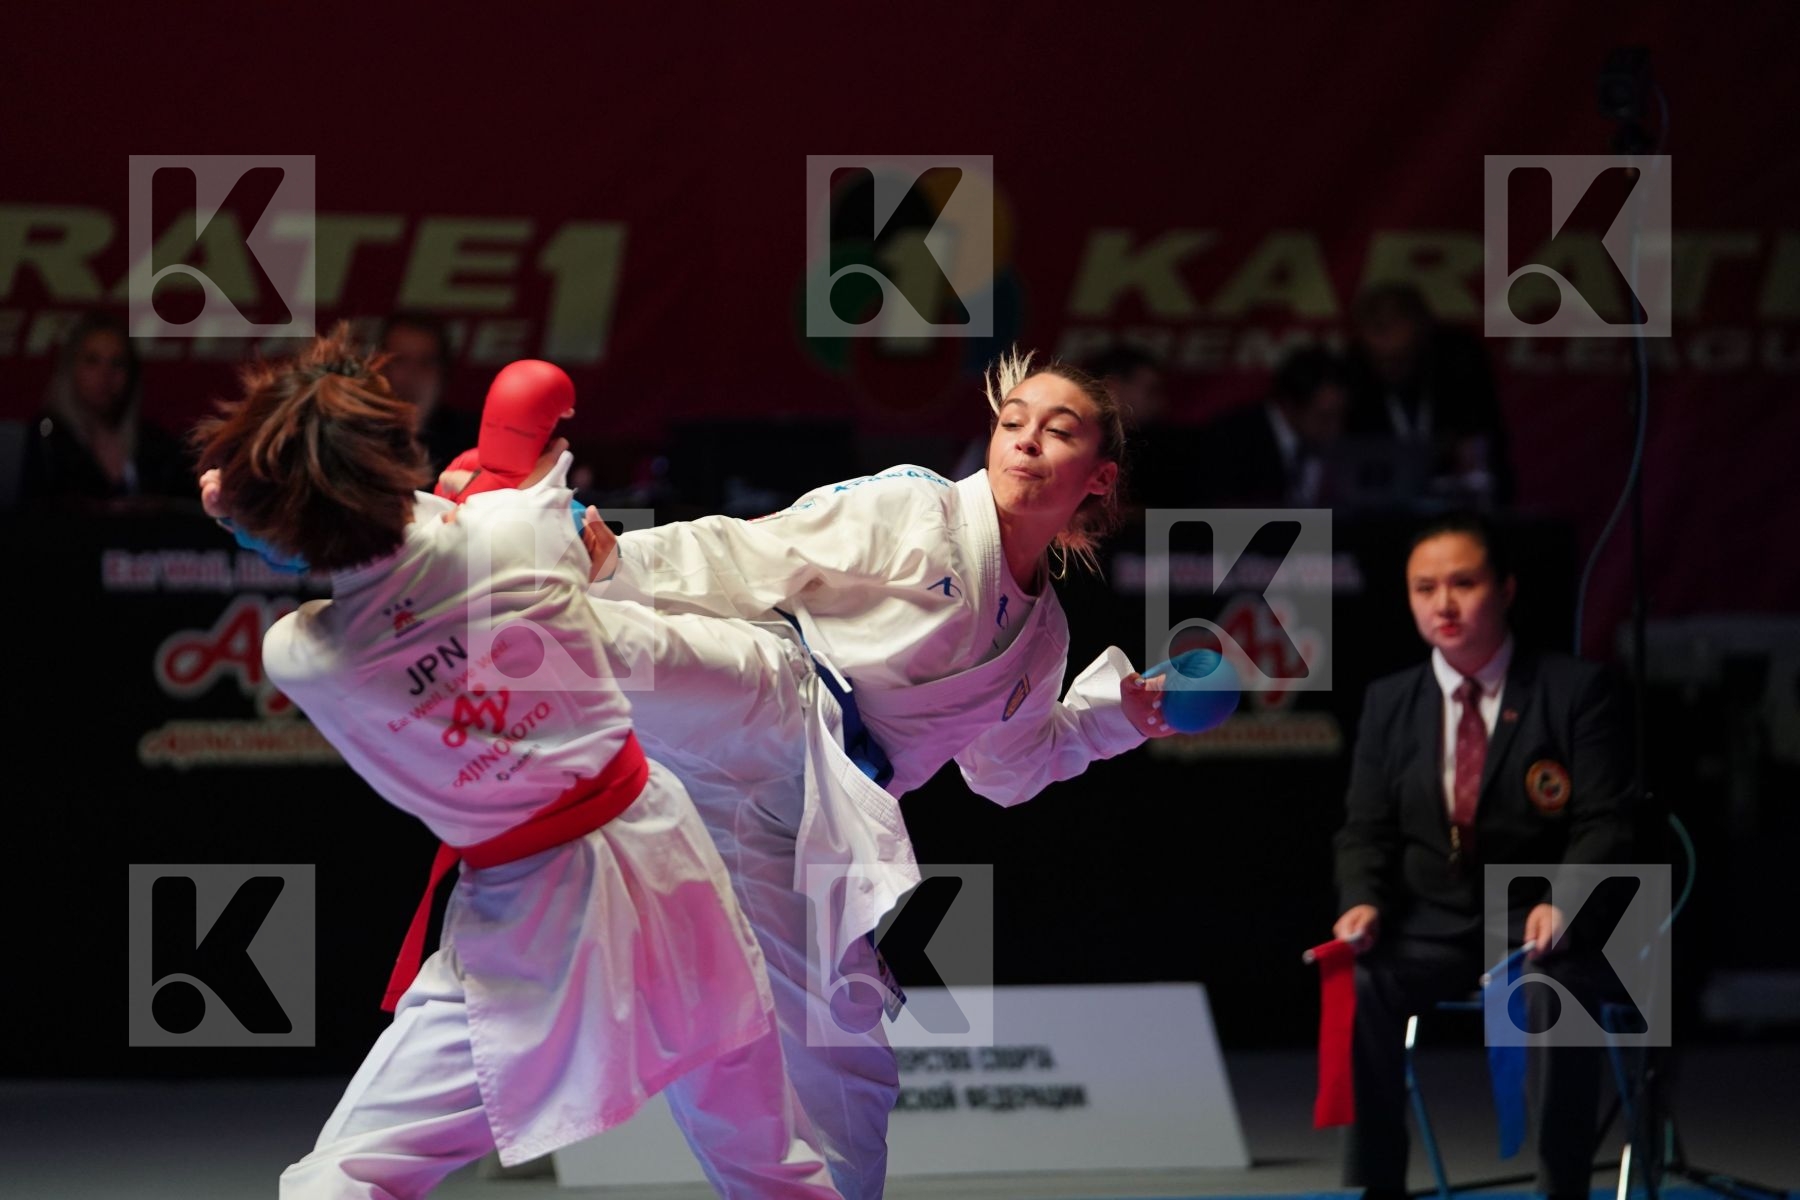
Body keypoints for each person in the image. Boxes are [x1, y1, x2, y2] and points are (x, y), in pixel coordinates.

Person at [193, 326, 836, 1199]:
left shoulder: (306, 655)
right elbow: (529, 407)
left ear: (287, 529)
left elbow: (339, 556)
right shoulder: (515, 526)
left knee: (349, 1176)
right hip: (667, 859)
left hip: (533, 913)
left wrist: (249, 513)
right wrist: (464, 482)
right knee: (768, 1166)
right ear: (400, 451)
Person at [564, 348, 1180, 1198]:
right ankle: (473, 603)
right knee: (645, 650)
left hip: (817, 822)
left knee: (842, 1053)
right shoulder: (915, 505)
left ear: (1099, 477)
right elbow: (753, 552)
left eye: (1057, 431)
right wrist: (621, 564)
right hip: (777, 696)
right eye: (1013, 423)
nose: (1027, 442)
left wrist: (1120, 716)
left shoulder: (1043, 644)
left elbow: (1009, 773)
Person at [1330, 514, 1635, 1200]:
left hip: (1537, 918)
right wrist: (1362, 902)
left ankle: (1562, 1187)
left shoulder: (1575, 690)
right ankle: (1374, 1186)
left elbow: (1604, 821)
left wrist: (1565, 899)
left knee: (1563, 983)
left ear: (1505, 589)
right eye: (1424, 588)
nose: (1443, 603)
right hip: (1428, 921)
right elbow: (1365, 830)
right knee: (1360, 978)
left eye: (1463, 583)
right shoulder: (1389, 701)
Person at [1344, 283, 1515, 506]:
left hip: (1457, 505)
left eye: (1399, 359)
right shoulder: (1355, 374)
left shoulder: (1460, 365)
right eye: (1379, 359)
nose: (1388, 368)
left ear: (1421, 333)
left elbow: (1482, 453)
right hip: (1383, 508)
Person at [22, 311, 191, 506]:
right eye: (92, 361)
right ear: (70, 368)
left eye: (117, 363)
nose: (105, 375)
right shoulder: (49, 438)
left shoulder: (153, 443)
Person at [1196, 345, 1349, 507]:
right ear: (1289, 405)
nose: (1335, 429)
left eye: (1341, 415)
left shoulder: (1334, 448)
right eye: (1324, 417)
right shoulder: (1231, 442)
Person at [378, 311, 481, 475]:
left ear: (444, 371)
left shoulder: (474, 441)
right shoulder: (352, 437)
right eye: (400, 360)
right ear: (380, 368)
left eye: (426, 362)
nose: (412, 374)